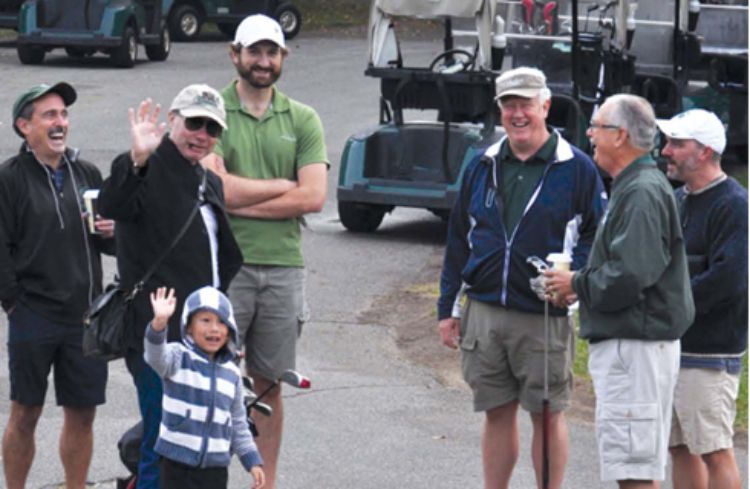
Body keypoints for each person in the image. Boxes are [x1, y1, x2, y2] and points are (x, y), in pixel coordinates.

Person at [437, 66, 606, 489]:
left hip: (543, 315)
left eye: (526, 104)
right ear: (499, 111)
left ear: (545, 106)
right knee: (496, 412)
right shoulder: (482, 163)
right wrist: (447, 308)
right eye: (509, 105)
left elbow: (595, 234)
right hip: (485, 311)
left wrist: (575, 277)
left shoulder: (577, 168)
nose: (517, 114)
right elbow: (459, 238)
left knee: (547, 414)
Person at [201, 14, 328, 488]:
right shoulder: (213, 111)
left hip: (283, 269)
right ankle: (211, 477)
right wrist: (280, 187)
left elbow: (313, 196)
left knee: (269, 386)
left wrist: (240, 195)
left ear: (283, 58)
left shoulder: (303, 118)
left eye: (271, 52)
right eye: (254, 51)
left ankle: (264, 482)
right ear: (235, 54)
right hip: (225, 268)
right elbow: (218, 191)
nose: (262, 61)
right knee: (215, 380)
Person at [544, 94, 695, 489]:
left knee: (634, 472)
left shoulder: (641, 191)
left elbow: (631, 275)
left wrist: (576, 283)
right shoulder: (636, 186)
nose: (590, 134)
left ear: (621, 135)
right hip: (636, 349)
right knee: (635, 466)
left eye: (597, 126)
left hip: (636, 350)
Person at [98, 84, 243, 489]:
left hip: (207, 338)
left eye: (212, 129)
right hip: (158, 334)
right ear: (173, 121)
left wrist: (225, 330)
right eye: (194, 122)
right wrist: (136, 159)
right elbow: (114, 204)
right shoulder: (146, 166)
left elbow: (219, 260)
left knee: (200, 443)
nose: (202, 135)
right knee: (162, 443)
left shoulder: (207, 180)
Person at [0, 82, 115, 489]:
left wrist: (111, 231)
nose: (60, 122)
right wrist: (14, 303)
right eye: (49, 115)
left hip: (85, 318)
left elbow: (110, 243)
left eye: (64, 114)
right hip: (33, 315)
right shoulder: (9, 178)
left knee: (82, 414)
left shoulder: (87, 173)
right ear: (24, 126)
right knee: (25, 413)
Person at [656, 109, 747, 489]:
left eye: (678, 144)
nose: (666, 151)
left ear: (705, 151)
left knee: (713, 448)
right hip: (672, 345)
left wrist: (670, 305)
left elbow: (730, 278)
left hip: (710, 352)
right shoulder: (677, 200)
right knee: (680, 446)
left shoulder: (735, 204)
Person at [145, 286, 265, 489]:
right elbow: (154, 357)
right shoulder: (178, 357)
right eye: (205, 320)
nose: (214, 328)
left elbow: (238, 423)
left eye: (221, 322)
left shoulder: (232, 374)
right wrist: (159, 325)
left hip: (215, 467)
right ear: (189, 326)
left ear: (229, 331)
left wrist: (252, 461)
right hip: (176, 464)